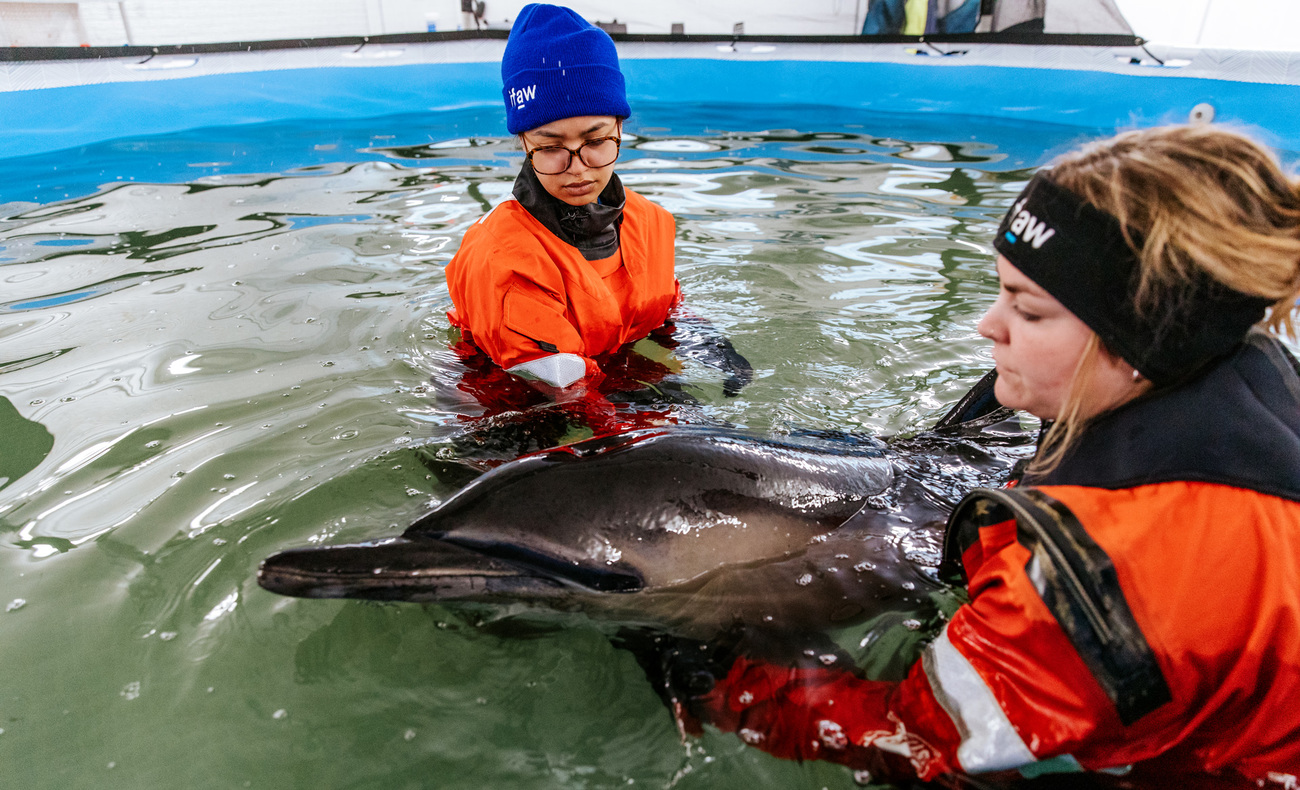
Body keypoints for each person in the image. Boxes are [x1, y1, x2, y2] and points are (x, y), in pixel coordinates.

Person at [660, 125, 1300, 788]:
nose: (987, 325)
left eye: (1030, 310)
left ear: (1139, 336)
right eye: (1001, 291)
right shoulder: (1252, 375)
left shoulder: (1086, 575)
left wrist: (722, 679)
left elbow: (915, 740)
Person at [445, 3, 680, 404]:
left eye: (596, 140)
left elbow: (668, 310)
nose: (579, 169)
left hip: (617, 383)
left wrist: (707, 344)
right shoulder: (502, 260)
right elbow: (561, 392)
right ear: (523, 142)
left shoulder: (651, 222)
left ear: (620, 127)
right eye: (551, 147)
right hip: (518, 409)